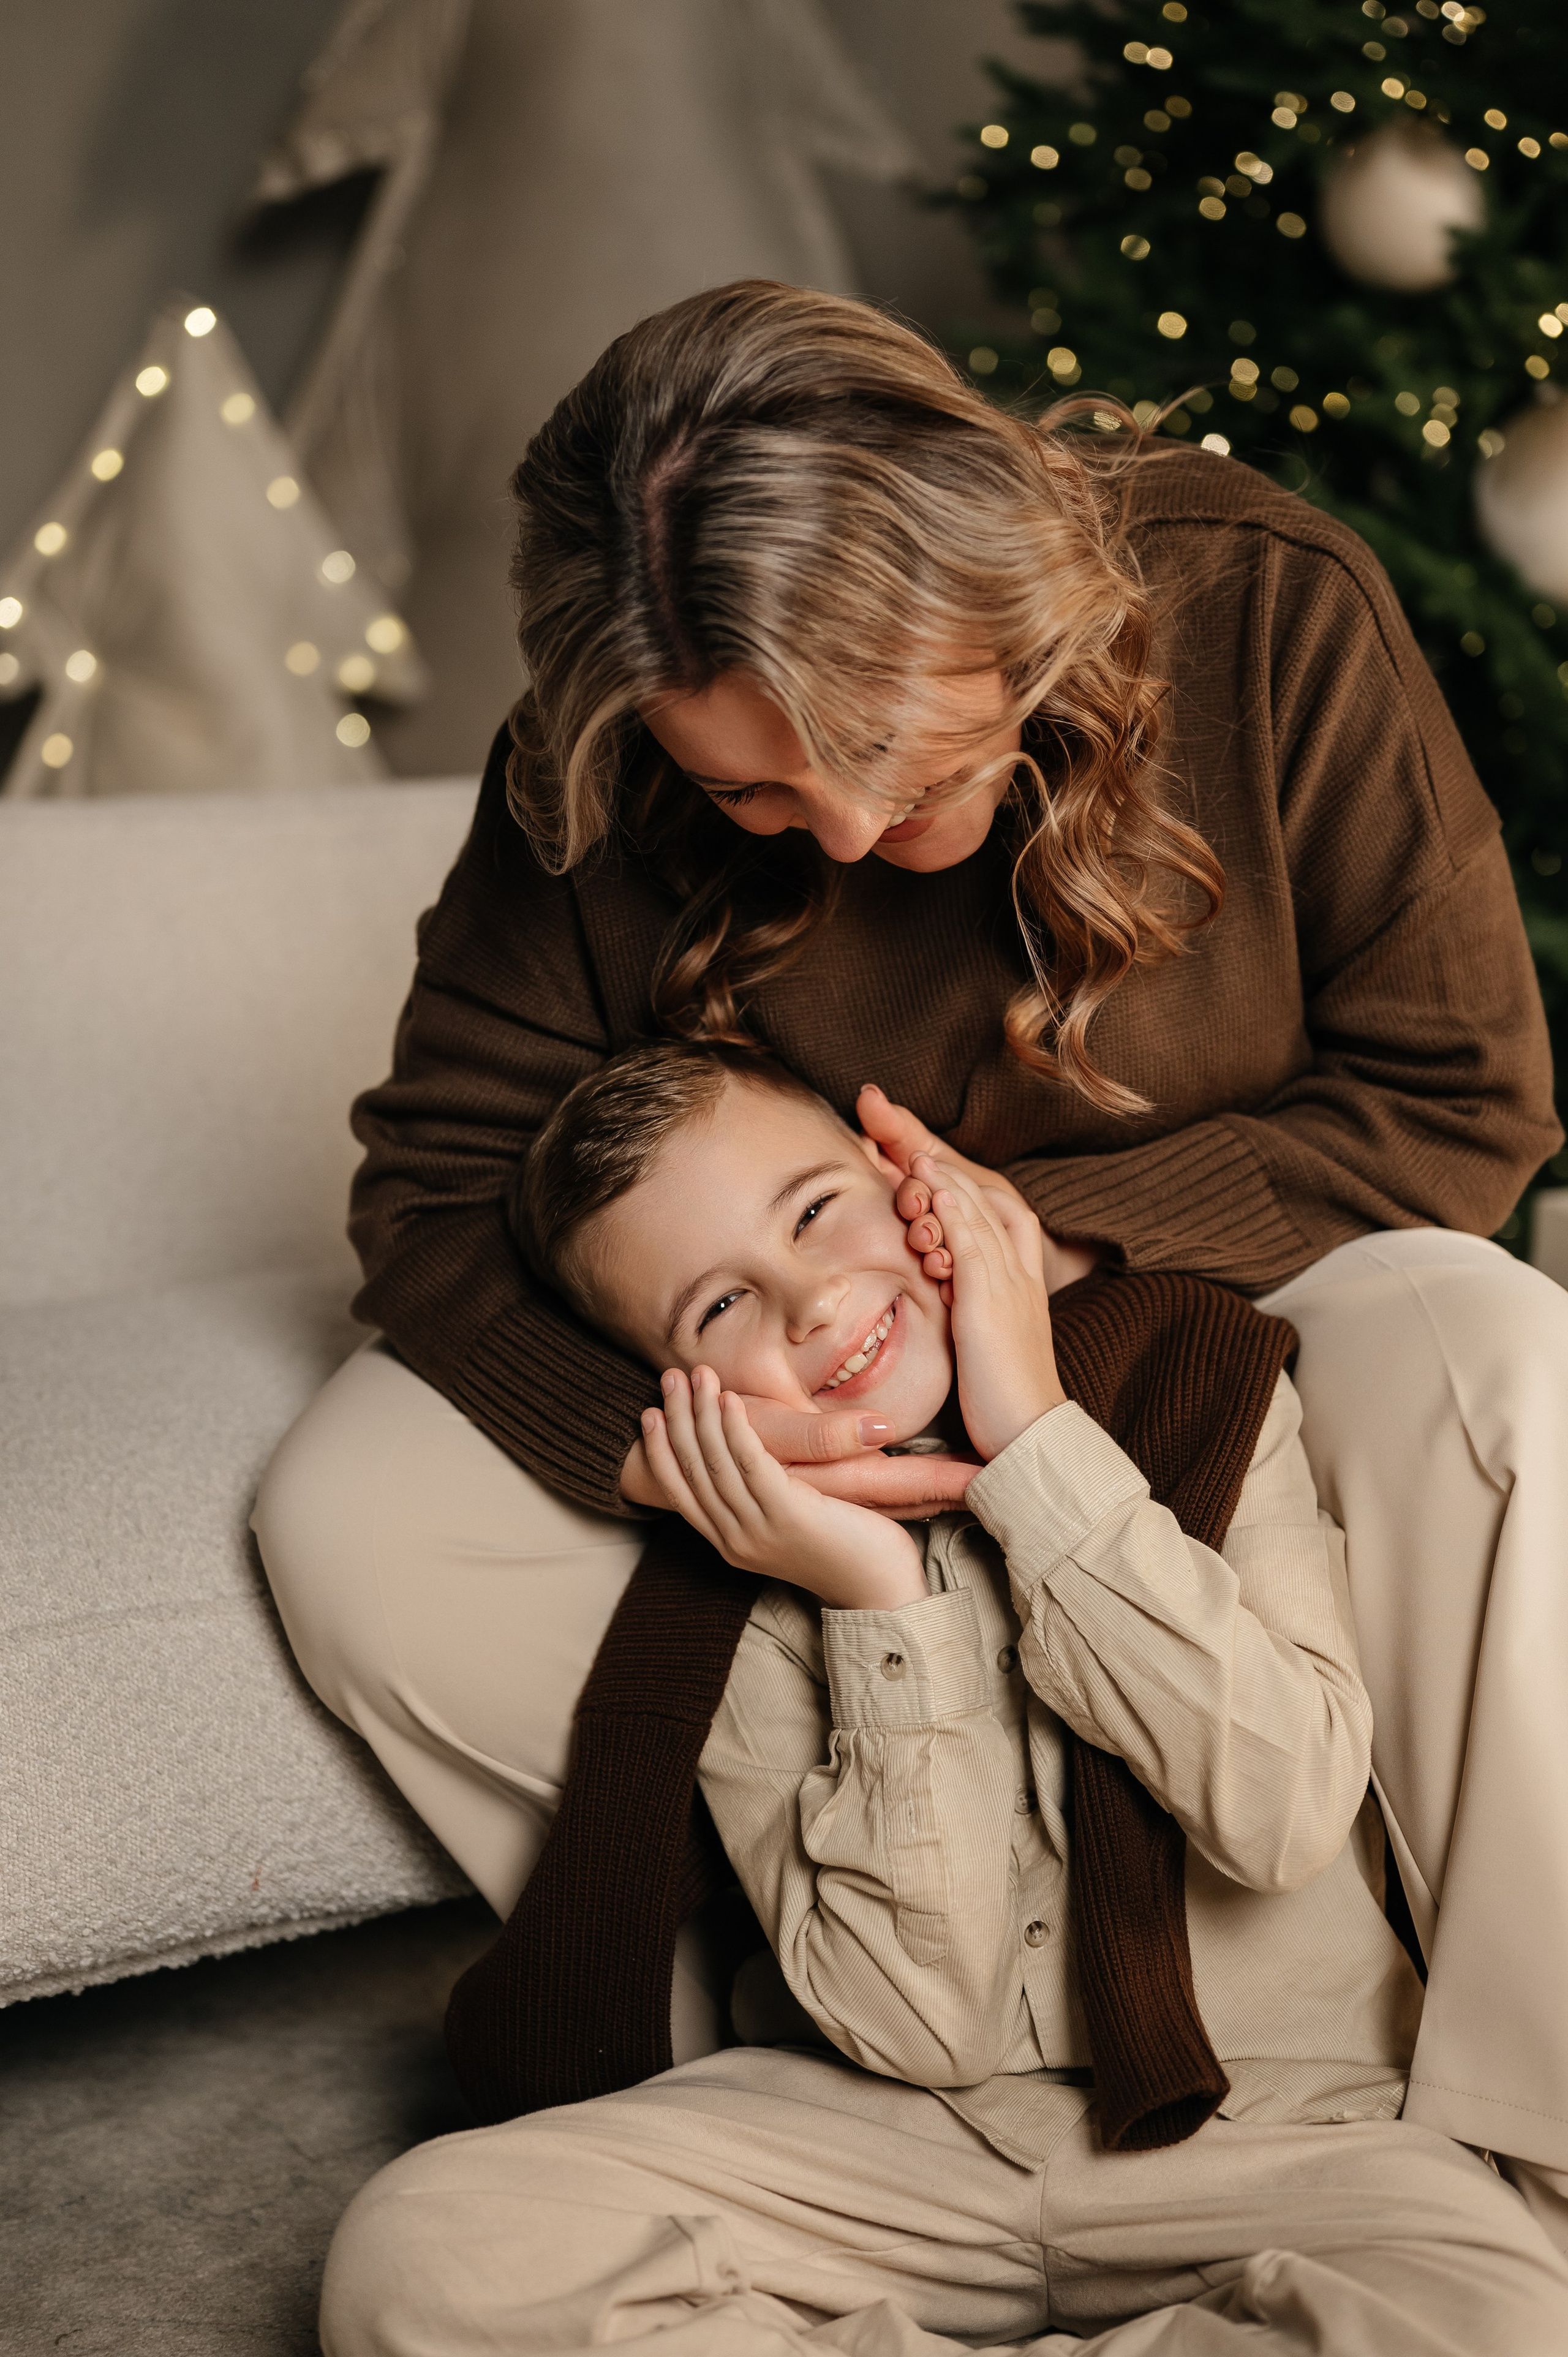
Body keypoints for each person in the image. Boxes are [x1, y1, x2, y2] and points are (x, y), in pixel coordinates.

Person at [252, 280, 1568, 2245]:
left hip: (1234, 1306)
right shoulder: (602, 761)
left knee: (1496, 1345)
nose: (855, 829)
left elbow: (1465, 1097)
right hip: (826, 1383)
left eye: (887, 741)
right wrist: (704, 1449)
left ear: (1005, 576)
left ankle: (1510, 2107)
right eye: (758, 793)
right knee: (354, 1506)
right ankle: (812, 2030)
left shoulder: (1267, 601)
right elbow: (436, 1202)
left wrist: (1044, 1260)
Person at [317, 1041, 1568, 2353]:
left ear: (913, 1179)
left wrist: (1035, 1451)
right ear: (672, 1393)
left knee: (1510, 2317)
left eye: (812, 1212)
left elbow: (1282, 1809)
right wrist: (875, 1604)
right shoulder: (731, 1586)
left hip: (1284, 2129)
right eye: (716, 1310)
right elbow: (919, 2023)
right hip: (883, 2148)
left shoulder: (1206, 1392)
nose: (805, 1302)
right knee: (425, 2247)